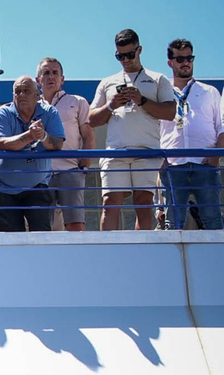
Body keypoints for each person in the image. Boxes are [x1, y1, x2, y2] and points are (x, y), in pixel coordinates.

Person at [90, 29, 177, 231]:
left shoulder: (158, 79)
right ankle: (109, 253)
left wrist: (142, 100)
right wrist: (111, 105)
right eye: (120, 56)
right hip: (115, 151)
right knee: (110, 203)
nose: (125, 60)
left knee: (144, 204)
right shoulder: (107, 82)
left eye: (130, 54)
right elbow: (92, 120)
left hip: (147, 150)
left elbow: (170, 112)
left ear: (140, 50)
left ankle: (143, 252)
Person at [0, 76, 65, 233]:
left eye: (26, 91)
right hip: (2, 186)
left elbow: (58, 144)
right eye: (18, 91)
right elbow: (3, 144)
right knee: (11, 240)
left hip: (37, 185)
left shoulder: (50, 112)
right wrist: (30, 136)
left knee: (41, 236)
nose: (21, 95)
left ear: (37, 95)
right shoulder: (2, 113)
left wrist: (43, 136)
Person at [160, 39, 223, 230]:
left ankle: (218, 259)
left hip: (204, 164)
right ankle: (171, 260)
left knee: (213, 219)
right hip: (173, 164)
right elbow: (154, 128)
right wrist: (161, 160)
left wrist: (215, 155)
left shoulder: (209, 91)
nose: (186, 62)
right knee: (173, 223)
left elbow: (221, 126)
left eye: (189, 58)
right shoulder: (162, 93)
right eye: (180, 59)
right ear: (170, 62)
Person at [37, 59, 95, 232]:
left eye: (55, 73)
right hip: (41, 174)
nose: (51, 77)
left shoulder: (77, 101)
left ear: (62, 79)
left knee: (75, 224)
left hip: (70, 170)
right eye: (46, 73)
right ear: (38, 79)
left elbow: (88, 135)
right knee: (43, 227)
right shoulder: (32, 106)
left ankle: (79, 258)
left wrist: (84, 167)